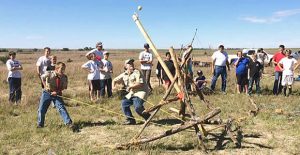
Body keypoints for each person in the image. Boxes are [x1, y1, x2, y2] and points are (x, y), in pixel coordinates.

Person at [112, 59, 150, 125]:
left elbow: (140, 84)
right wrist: (113, 87)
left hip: (140, 92)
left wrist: (130, 87)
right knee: (124, 103)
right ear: (126, 66)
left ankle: (148, 118)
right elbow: (114, 80)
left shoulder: (137, 72)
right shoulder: (124, 74)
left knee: (137, 107)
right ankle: (130, 120)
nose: (131, 64)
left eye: (132, 63)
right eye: (129, 63)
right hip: (132, 93)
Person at [37, 62, 73, 128]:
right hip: (47, 93)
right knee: (41, 109)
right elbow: (42, 78)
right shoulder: (49, 73)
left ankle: (68, 123)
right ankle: (40, 124)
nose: (63, 71)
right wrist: (45, 86)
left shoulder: (64, 77)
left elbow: (64, 87)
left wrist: (57, 92)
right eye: (61, 69)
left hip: (57, 94)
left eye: (64, 69)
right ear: (56, 69)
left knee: (61, 107)